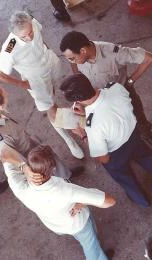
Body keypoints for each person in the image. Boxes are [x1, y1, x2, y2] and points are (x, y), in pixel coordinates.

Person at [0, 11, 84, 160]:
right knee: (50, 108)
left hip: (50, 63)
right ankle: (69, 140)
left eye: (30, 33)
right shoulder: (11, 45)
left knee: (54, 93)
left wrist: (46, 50)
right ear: (15, 35)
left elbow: (40, 38)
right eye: (24, 37)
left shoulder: (32, 20)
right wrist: (23, 84)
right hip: (36, 79)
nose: (29, 37)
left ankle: (64, 113)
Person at [0, 145, 115, 260]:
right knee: (91, 247)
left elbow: (4, 152)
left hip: (56, 225)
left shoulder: (19, 186)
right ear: (53, 169)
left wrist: (23, 167)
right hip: (79, 224)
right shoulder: (65, 190)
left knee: (89, 239)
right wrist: (82, 203)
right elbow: (109, 201)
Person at [60, 73, 152, 207]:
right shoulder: (116, 87)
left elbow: (103, 158)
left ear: (78, 101)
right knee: (146, 156)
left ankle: (141, 200)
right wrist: (87, 112)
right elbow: (110, 110)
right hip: (134, 136)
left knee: (124, 177)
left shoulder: (92, 126)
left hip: (116, 154)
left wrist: (83, 135)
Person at [0, 85, 83, 180]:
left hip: (22, 139)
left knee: (50, 156)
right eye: (5, 96)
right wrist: (25, 167)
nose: (7, 95)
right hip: (25, 153)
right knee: (45, 166)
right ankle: (65, 181)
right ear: (0, 106)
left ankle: (66, 174)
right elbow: (6, 155)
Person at [59, 31, 152, 138]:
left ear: (83, 51)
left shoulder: (113, 53)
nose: (71, 62)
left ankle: (146, 133)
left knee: (138, 120)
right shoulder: (78, 58)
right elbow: (76, 71)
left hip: (122, 95)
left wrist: (130, 81)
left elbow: (148, 58)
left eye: (72, 58)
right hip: (97, 97)